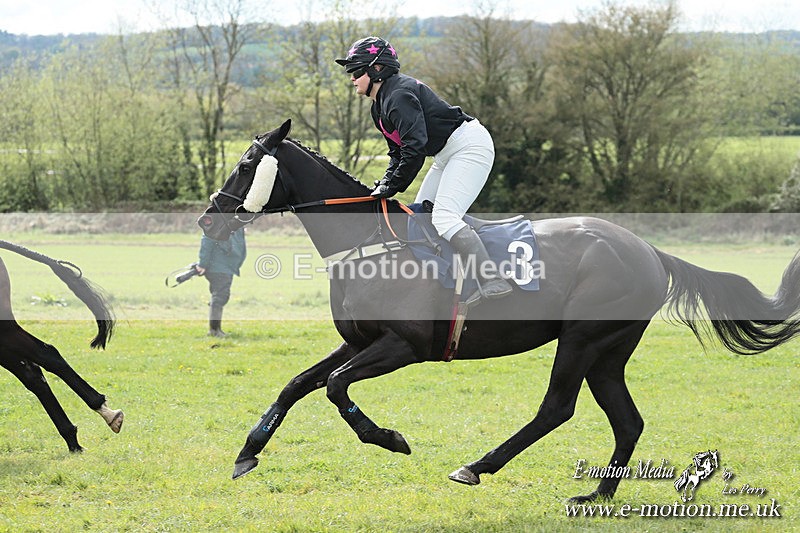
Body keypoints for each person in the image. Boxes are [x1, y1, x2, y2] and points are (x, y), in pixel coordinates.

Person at [335, 36, 512, 300]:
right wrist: (384, 184)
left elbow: (414, 149)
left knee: (443, 217)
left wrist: (393, 187)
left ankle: (492, 278)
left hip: (469, 146)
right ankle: (445, 283)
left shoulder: (399, 96)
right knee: (421, 217)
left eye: (356, 70)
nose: (351, 76)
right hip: (446, 154)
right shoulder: (379, 106)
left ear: (377, 69)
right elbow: (397, 152)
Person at [195, 227, 246, 337]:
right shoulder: (218, 222)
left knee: (220, 296)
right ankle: (214, 330)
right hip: (218, 267)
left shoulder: (236, 224)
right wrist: (202, 264)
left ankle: (216, 329)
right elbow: (207, 241)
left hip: (227, 266)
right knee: (219, 297)